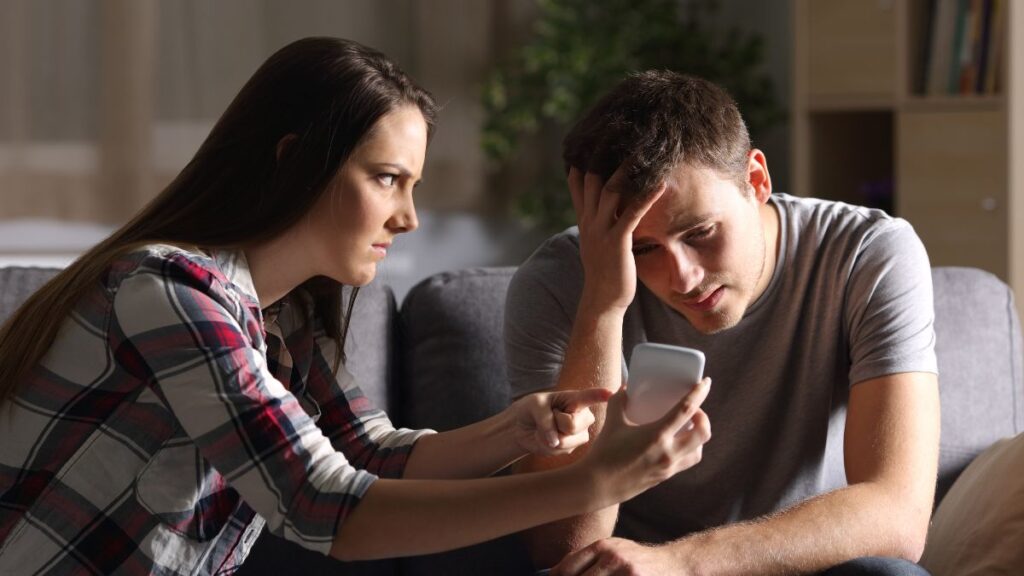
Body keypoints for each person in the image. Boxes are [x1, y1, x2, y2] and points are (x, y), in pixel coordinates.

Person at [0, 39, 712, 575]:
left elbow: (366, 452)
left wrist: (514, 433)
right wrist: (594, 483)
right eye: (387, 179)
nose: (407, 218)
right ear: (294, 160)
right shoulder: (167, 293)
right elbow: (321, 504)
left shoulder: (287, 317)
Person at [505, 71, 940, 575]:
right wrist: (602, 306)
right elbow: (560, 545)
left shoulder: (867, 254)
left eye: (700, 232)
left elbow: (898, 516)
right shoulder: (556, 282)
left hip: (791, 564)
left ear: (757, 181)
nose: (683, 277)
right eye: (642, 248)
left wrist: (682, 563)